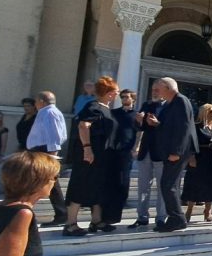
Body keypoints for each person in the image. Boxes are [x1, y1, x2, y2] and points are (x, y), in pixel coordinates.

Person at [63, 77, 120, 236]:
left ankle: (96, 220)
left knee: (98, 185)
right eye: (115, 92)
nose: (117, 95)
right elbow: (84, 126)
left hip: (102, 156)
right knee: (81, 184)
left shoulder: (105, 108)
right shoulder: (93, 107)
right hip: (90, 155)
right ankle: (70, 223)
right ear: (108, 94)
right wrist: (87, 149)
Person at [150, 77, 199, 232]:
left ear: (167, 87)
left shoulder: (181, 101)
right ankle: (175, 218)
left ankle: (177, 218)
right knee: (169, 185)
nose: (155, 92)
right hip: (171, 151)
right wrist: (156, 124)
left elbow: (183, 128)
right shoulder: (171, 104)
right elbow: (170, 126)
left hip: (177, 152)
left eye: (158, 89)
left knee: (168, 185)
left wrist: (176, 152)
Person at [26, 91, 68, 226]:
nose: (35, 105)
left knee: (48, 184)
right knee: (44, 184)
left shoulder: (50, 113)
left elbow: (54, 135)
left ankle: (62, 214)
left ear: (42, 101)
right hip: (41, 151)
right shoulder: (47, 112)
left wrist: (52, 157)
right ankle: (61, 213)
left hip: (44, 151)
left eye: (36, 102)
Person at [129, 86, 165, 228]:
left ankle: (161, 218)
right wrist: (139, 121)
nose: (154, 92)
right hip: (146, 150)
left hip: (161, 151)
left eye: (157, 90)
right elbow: (140, 128)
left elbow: (172, 128)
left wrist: (158, 124)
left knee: (162, 186)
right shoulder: (147, 105)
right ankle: (142, 216)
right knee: (143, 186)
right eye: (153, 90)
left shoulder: (170, 107)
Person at [183, 104, 212, 223]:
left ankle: (208, 210)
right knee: (195, 184)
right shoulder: (196, 127)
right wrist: (191, 157)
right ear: (204, 113)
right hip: (200, 157)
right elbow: (190, 142)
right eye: (210, 111)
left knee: (211, 185)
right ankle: (189, 209)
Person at [110, 89, 139, 224]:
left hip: (128, 149)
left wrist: (136, 147)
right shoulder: (114, 113)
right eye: (122, 97)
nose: (124, 99)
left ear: (133, 99)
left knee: (124, 176)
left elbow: (140, 132)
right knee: (113, 174)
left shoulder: (137, 115)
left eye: (127, 97)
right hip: (113, 148)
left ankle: (123, 199)